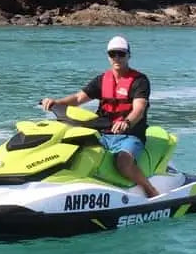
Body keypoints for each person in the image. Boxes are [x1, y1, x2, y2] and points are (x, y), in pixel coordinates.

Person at [40, 35, 160, 198]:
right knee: (72, 149)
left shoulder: (140, 80)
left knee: (123, 162)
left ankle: (150, 190)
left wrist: (127, 122)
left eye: (121, 54)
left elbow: (139, 108)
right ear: (108, 56)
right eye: (112, 54)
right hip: (102, 133)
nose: (116, 58)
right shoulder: (102, 80)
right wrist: (56, 102)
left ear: (128, 55)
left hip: (129, 134)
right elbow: (78, 98)